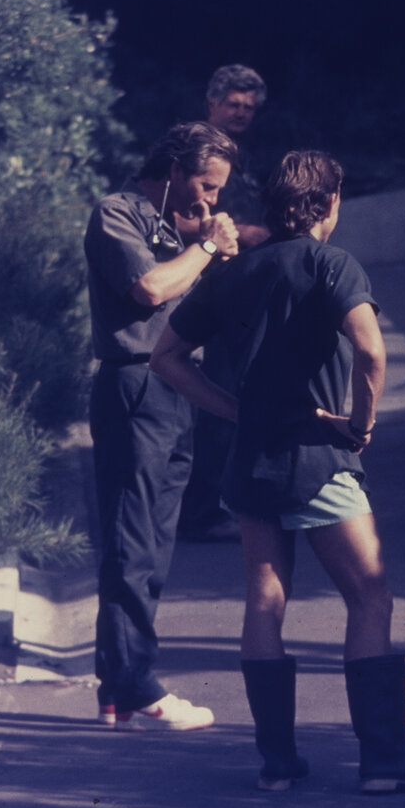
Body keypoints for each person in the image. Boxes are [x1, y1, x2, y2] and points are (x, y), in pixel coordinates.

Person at [151, 150, 405, 794]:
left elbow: (168, 357)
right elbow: (371, 350)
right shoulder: (330, 263)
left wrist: (235, 411)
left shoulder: (232, 272)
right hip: (319, 458)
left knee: (265, 601)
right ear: (330, 204)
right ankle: (381, 761)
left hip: (252, 461)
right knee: (370, 596)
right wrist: (361, 423)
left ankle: (278, 765)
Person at [83, 121, 241, 730]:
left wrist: (210, 248)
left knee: (155, 542)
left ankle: (119, 685)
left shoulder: (178, 226)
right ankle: (136, 683)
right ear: (174, 169)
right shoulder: (117, 212)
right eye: (205, 184)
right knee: (132, 539)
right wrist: (204, 248)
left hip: (178, 386)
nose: (210, 201)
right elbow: (150, 288)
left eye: (219, 191)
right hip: (135, 381)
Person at [177, 64, 271, 543]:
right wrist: (240, 234)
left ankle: (216, 503)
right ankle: (201, 511)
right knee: (216, 403)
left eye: (248, 107)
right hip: (209, 292)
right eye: (233, 104)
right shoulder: (196, 153)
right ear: (211, 103)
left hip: (239, 292)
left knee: (230, 400)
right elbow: (169, 218)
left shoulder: (237, 155)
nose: (241, 113)